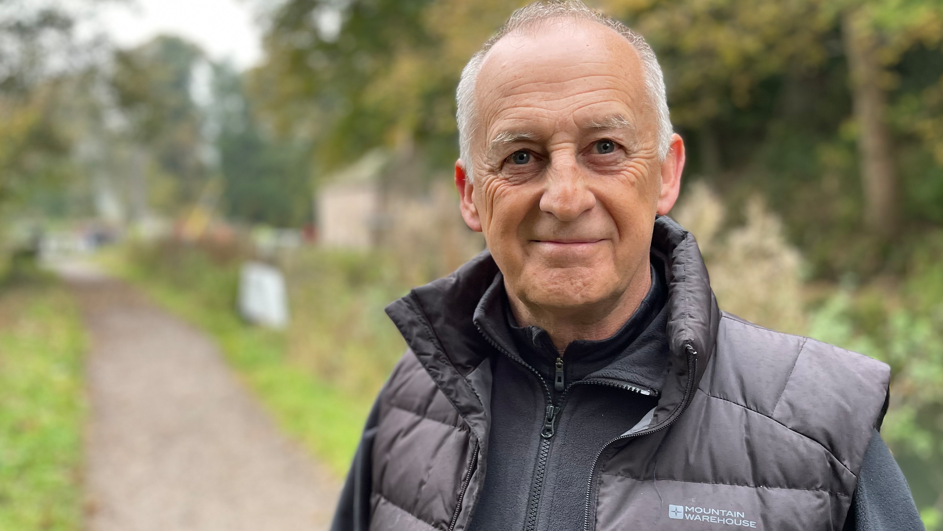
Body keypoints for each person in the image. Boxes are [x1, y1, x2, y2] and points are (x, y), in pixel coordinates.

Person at [331, 1, 923, 530]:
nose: (564, 198)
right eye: (521, 156)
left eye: (605, 149)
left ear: (666, 172)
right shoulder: (413, 400)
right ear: (469, 193)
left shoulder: (820, 427)